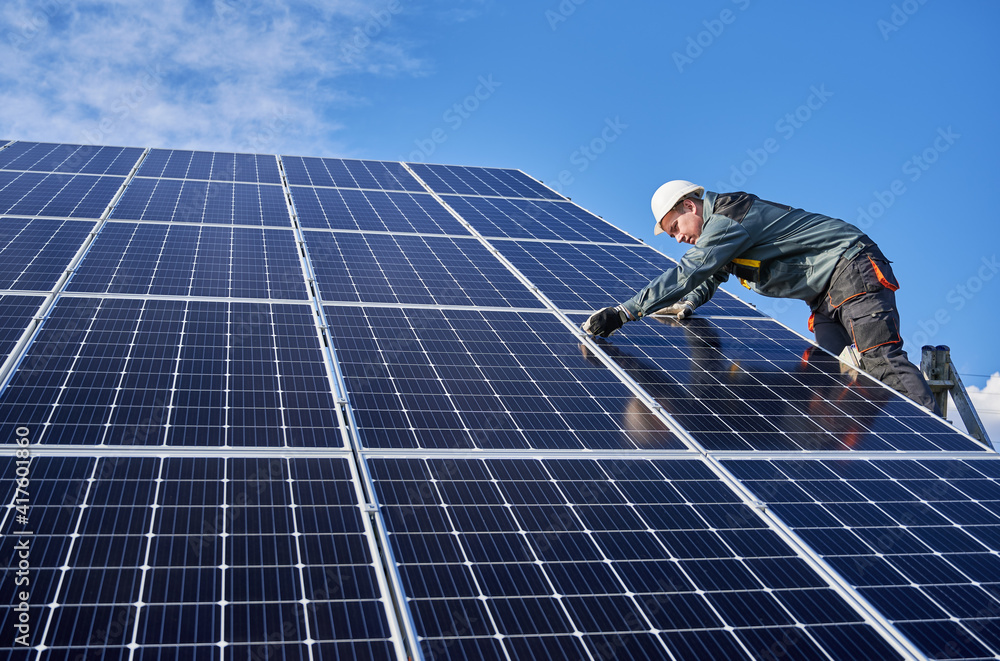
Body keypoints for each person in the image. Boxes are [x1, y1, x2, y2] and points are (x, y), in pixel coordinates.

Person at [582, 179, 941, 415]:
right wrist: (689, 304)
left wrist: (624, 313)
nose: (677, 238)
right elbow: (711, 274)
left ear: (690, 207)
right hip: (824, 296)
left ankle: (940, 443)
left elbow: (691, 271)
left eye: (675, 227)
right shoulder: (721, 234)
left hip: (850, 268)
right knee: (825, 371)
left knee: (880, 360)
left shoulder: (726, 220)